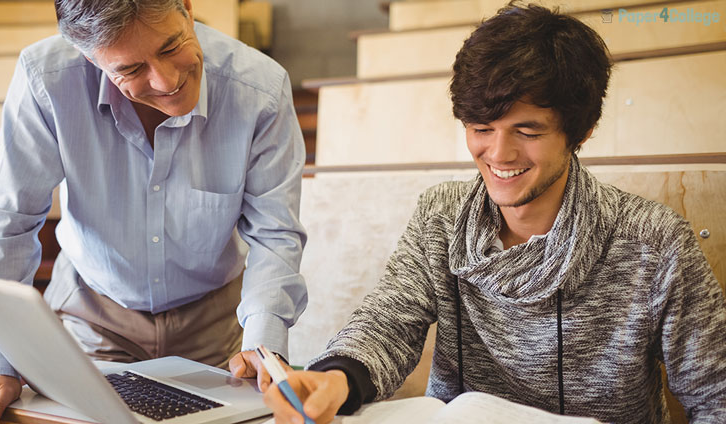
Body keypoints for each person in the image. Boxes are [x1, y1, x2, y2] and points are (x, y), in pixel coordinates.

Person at [263, 3, 726, 424]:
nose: (499, 153)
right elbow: (388, 322)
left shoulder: (655, 243)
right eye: (481, 128)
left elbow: (715, 397)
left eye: (527, 130)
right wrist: (336, 377)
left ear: (580, 131)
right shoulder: (441, 215)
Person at [0, 0, 308, 422]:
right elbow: (7, 224)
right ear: (89, 56)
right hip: (94, 315)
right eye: (131, 70)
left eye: (171, 45)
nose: (167, 79)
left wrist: (262, 341)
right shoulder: (45, 79)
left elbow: (275, 233)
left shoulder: (260, 88)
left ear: (188, 10)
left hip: (217, 323)